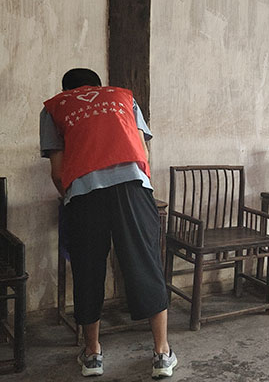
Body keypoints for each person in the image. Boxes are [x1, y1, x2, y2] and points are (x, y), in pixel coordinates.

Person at [39, 68, 177, 378]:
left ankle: (92, 355)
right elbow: (142, 151)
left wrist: (72, 197)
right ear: (99, 86)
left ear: (66, 90)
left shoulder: (54, 107)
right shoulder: (123, 97)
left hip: (85, 194)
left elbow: (58, 172)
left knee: (88, 269)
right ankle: (162, 354)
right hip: (133, 186)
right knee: (146, 263)